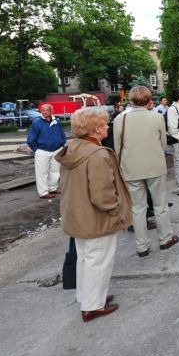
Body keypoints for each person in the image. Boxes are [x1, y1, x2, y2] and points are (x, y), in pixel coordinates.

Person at [56, 107, 132, 322]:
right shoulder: (97, 154)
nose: (107, 126)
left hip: (77, 215)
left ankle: (89, 298)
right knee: (99, 261)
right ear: (97, 129)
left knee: (86, 259)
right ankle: (93, 306)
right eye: (105, 124)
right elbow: (102, 194)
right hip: (96, 218)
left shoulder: (73, 148)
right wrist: (115, 208)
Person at [113, 86, 179, 257]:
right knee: (160, 205)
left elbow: (117, 147)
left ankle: (142, 246)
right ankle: (165, 239)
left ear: (131, 99)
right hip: (154, 166)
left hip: (131, 168)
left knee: (138, 208)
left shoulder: (120, 119)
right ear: (148, 99)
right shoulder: (156, 117)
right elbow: (163, 143)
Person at [27, 103, 67, 199]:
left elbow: (62, 134)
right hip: (42, 151)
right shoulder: (37, 123)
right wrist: (36, 150)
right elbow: (31, 139)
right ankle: (43, 192)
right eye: (42, 110)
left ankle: (52, 188)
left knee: (55, 171)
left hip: (56, 150)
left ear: (51, 111)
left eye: (47, 110)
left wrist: (62, 144)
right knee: (42, 173)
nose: (44, 112)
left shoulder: (56, 122)